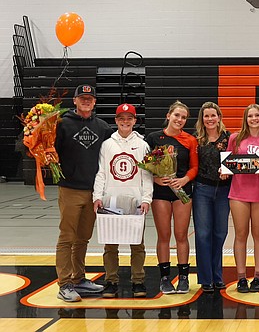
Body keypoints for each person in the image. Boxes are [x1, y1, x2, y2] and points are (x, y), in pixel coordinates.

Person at [54, 84, 113, 302]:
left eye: (90, 98)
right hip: (70, 188)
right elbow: (49, 150)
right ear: (75, 101)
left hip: (93, 191)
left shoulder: (102, 127)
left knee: (83, 238)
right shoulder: (61, 124)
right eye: (82, 98)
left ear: (95, 102)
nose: (86, 101)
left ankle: (78, 279)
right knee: (66, 237)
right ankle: (64, 283)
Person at [93, 103, 152, 298]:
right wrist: (97, 197)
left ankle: (138, 281)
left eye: (129, 118)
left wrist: (146, 198)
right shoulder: (107, 144)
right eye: (121, 118)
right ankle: (111, 281)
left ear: (135, 121)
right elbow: (101, 172)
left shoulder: (143, 145)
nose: (125, 122)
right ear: (116, 121)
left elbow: (147, 175)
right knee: (110, 244)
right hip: (111, 199)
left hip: (135, 200)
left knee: (137, 244)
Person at [146, 101, 198, 295]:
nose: (180, 120)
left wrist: (185, 179)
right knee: (164, 236)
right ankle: (165, 278)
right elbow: (146, 165)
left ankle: (184, 277)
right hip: (161, 193)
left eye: (184, 117)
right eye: (177, 115)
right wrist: (155, 178)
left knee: (181, 235)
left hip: (182, 192)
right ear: (168, 116)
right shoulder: (153, 138)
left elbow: (194, 167)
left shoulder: (190, 140)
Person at [226, 104, 259, 293]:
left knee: (258, 234)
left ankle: (258, 276)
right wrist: (224, 170)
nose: (254, 119)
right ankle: (242, 277)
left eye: (257, 115)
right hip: (238, 193)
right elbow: (228, 162)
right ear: (245, 118)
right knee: (241, 234)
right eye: (250, 116)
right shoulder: (235, 138)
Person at [192, 102, 231, 293]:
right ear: (202, 119)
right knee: (203, 234)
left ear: (219, 117)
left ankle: (218, 276)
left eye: (213, 115)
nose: (210, 119)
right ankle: (206, 278)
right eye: (206, 116)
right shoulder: (196, 140)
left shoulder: (229, 138)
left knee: (220, 233)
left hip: (224, 191)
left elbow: (235, 162)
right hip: (202, 189)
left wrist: (228, 170)